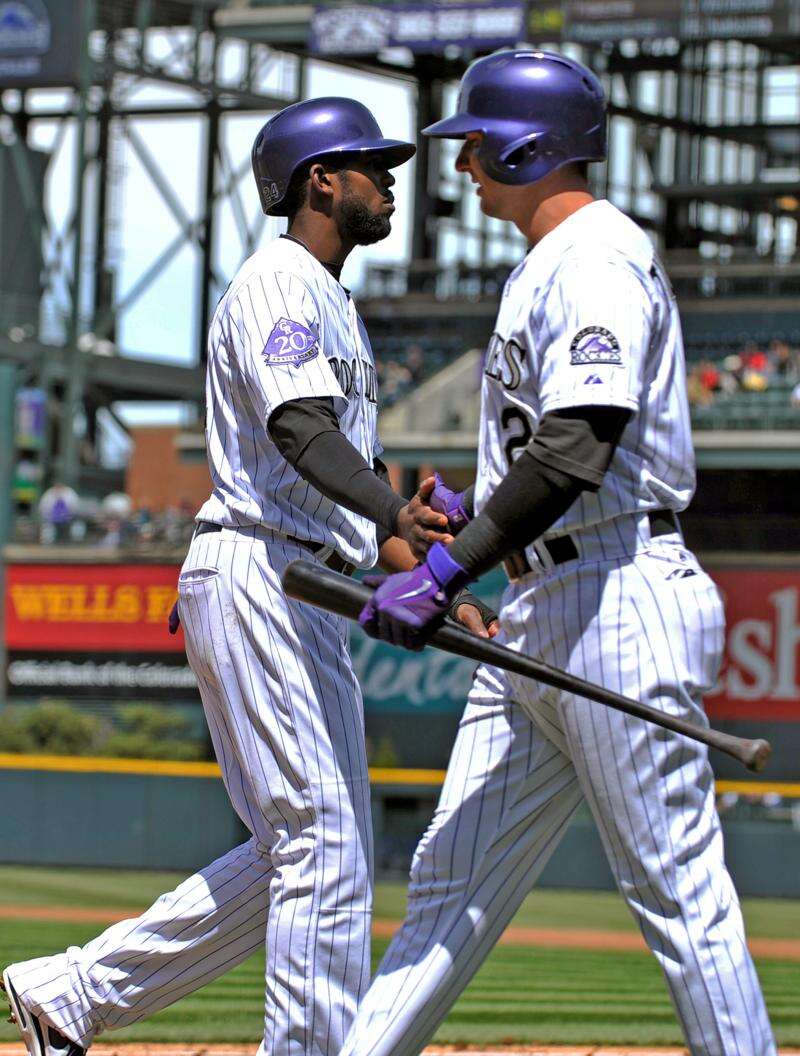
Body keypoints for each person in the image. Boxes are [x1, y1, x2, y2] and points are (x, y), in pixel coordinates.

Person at [1, 97, 496, 1056]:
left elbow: (360, 494)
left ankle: (71, 997)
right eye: (371, 164)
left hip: (312, 582)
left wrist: (444, 583)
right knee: (322, 845)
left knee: (303, 850)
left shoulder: (336, 306)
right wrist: (394, 512)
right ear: (321, 179)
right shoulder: (278, 280)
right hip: (262, 568)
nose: (389, 179)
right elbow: (301, 433)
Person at [343, 51, 776, 1056]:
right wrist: (469, 510)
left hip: (617, 589)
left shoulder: (592, 254)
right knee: (449, 885)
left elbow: (580, 445)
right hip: (549, 604)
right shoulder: (547, 260)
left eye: (475, 145)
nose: (460, 167)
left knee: (674, 893)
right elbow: (548, 448)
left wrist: (451, 570)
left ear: (525, 145)